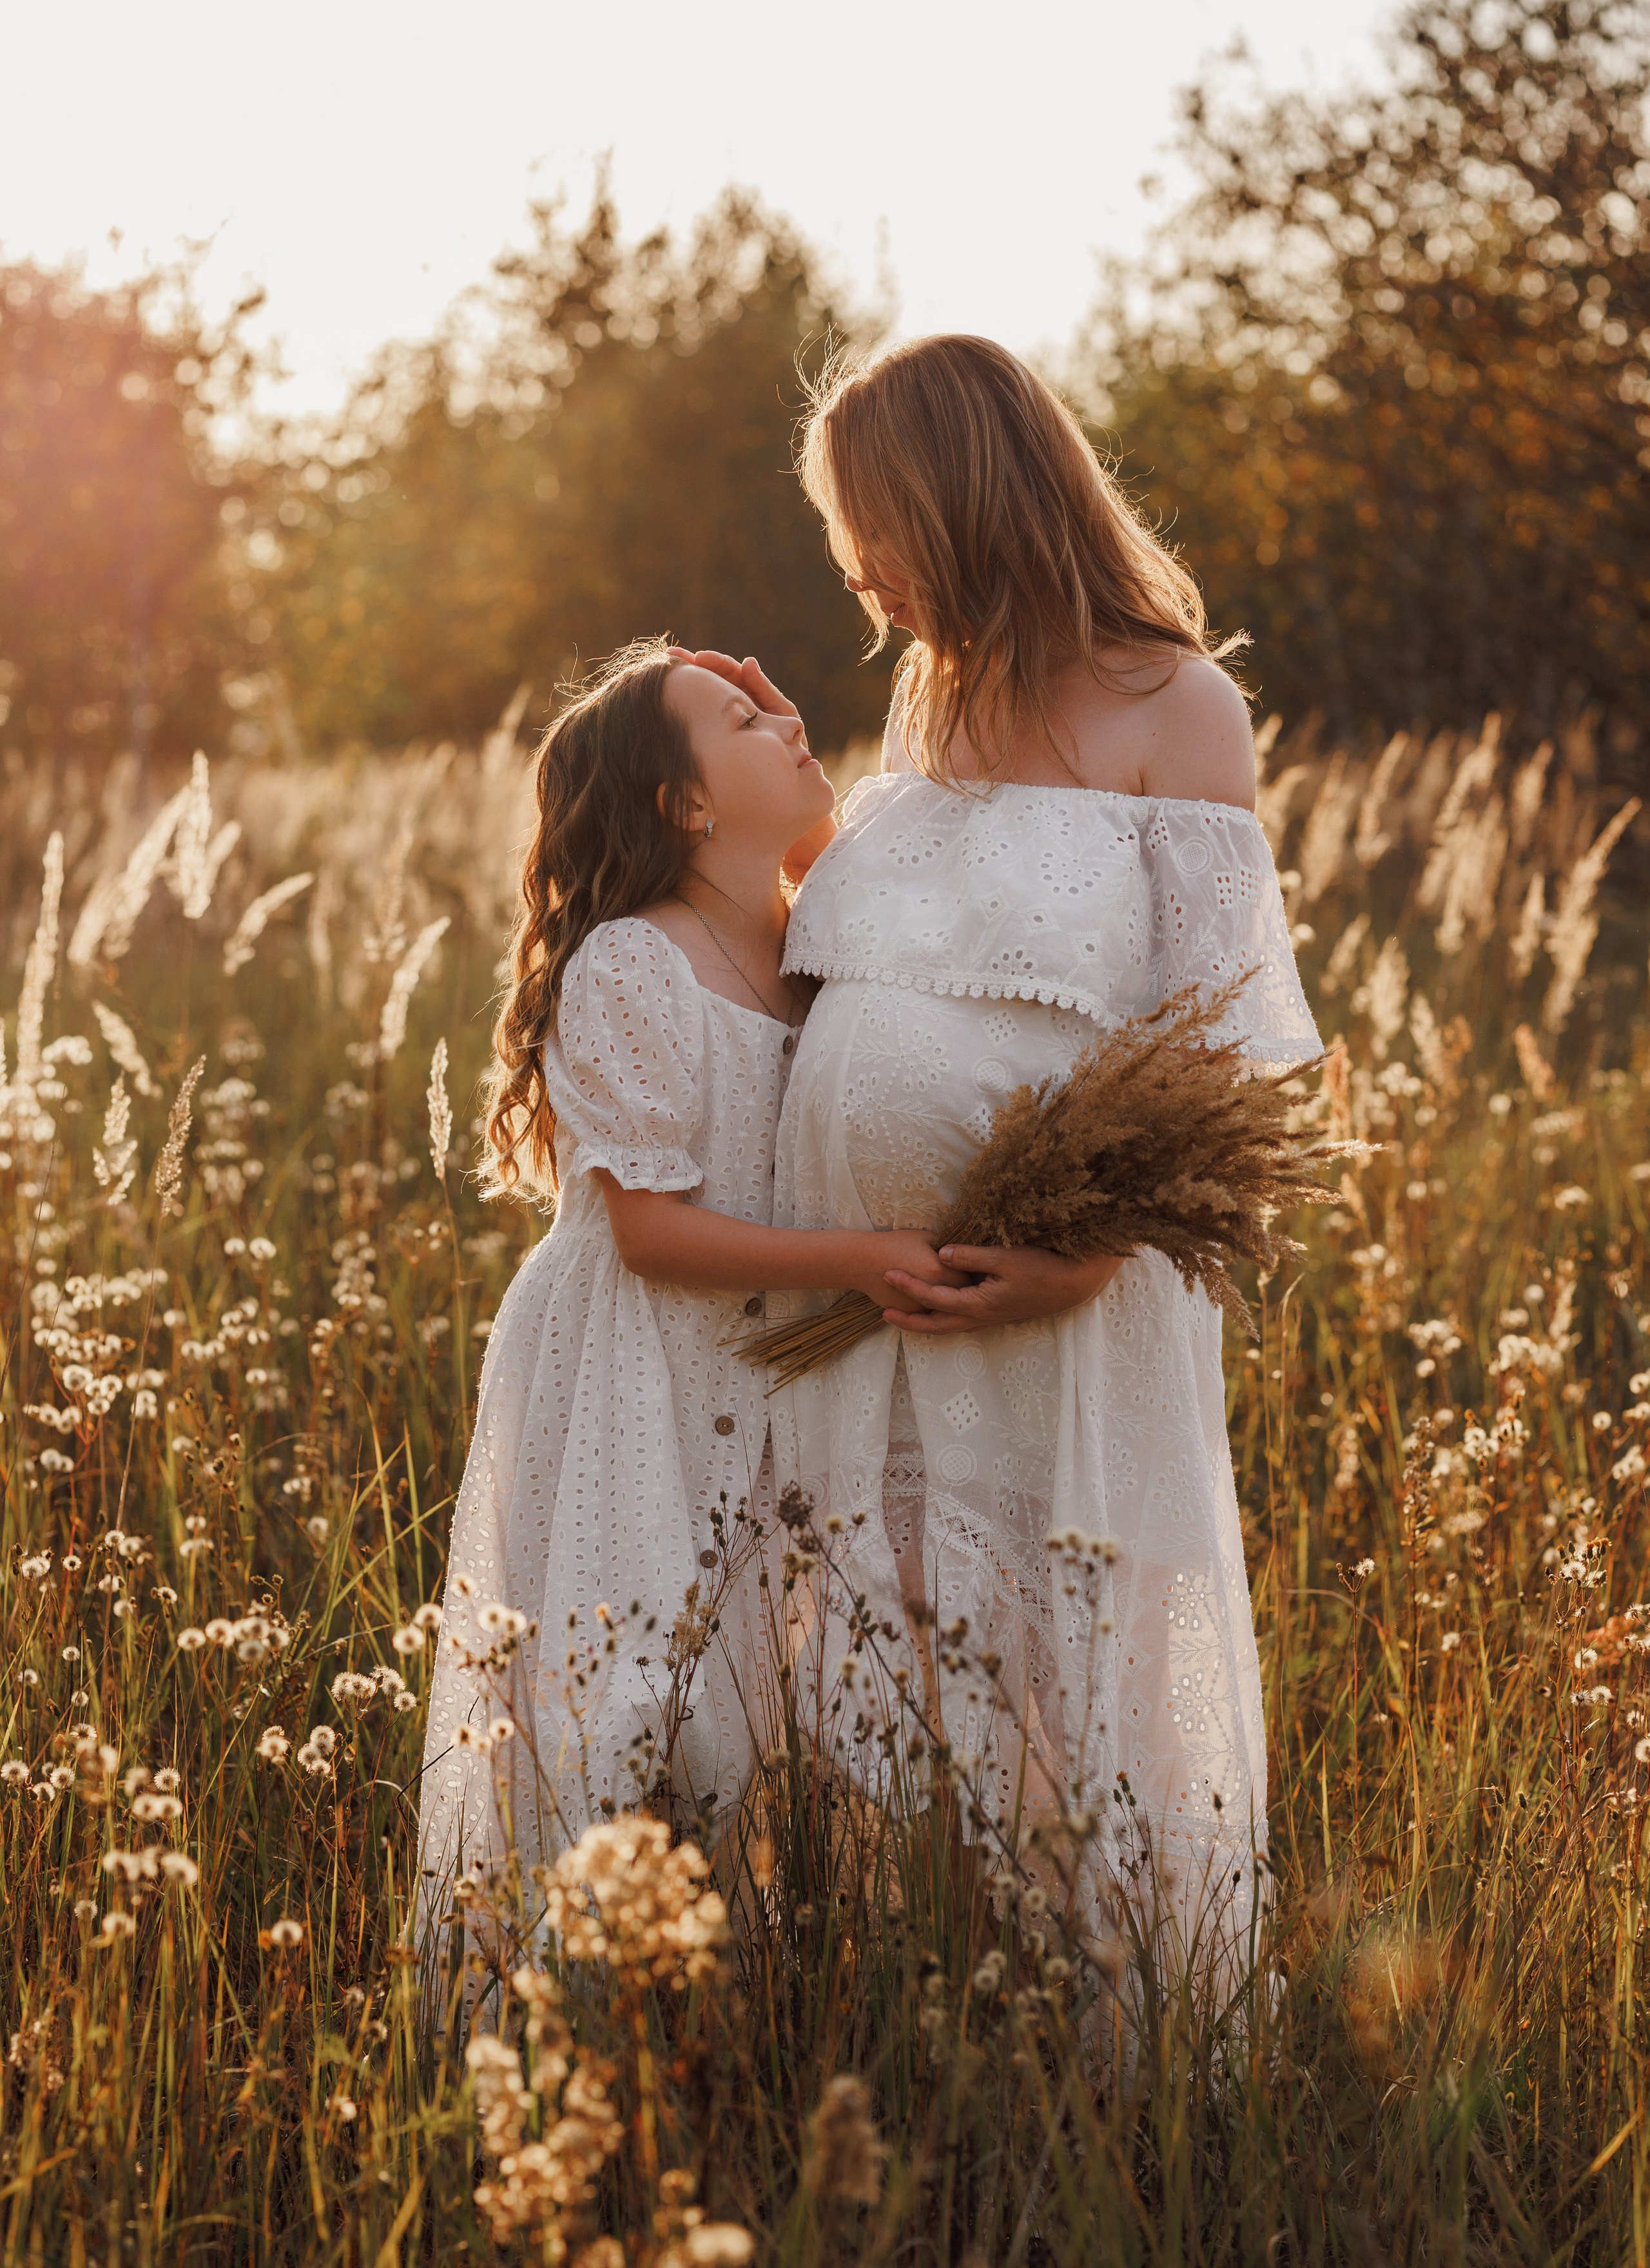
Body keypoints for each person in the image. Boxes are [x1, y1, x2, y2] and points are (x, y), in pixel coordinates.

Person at [682, 335, 1321, 1960]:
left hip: (1054, 1301)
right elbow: (899, 934)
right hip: (869, 1305)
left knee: (1051, 1650)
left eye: (866, 527)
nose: (856, 573)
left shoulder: (1175, 706)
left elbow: (1222, 1048)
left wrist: (1079, 1257)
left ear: (954, 497)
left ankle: (1088, 2021)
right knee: (889, 1642)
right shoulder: (929, 693)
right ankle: (905, 1974)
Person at [416, 637, 961, 1957]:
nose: (787, 719)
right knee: (641, 1697)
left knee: (779, 1685)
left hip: (780, 1358)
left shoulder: (822, 936)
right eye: (742, 718)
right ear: (686, 806)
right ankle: (588, 1999)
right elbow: (651, 1233)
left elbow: (872, 900)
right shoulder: (632, 966)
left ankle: (748, 1988)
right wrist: (855, 1257)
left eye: (780, 702)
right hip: (641, 1363)